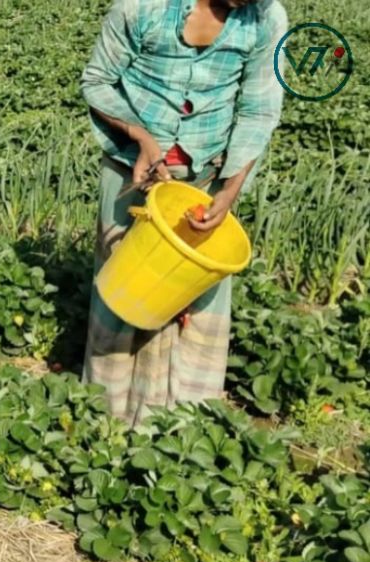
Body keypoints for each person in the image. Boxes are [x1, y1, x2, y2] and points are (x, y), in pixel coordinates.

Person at [79, 0, 287, 426]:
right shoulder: (141, 8)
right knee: (126, 289)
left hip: (206, 180)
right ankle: (104, 420)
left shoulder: (266, 17)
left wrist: (229, 191)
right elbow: (98, 80)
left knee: (195, 299)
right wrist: (142, 138)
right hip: (131, 173)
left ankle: (180, 429)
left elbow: (258, 110)